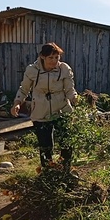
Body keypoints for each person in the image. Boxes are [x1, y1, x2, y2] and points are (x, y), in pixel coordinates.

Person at [10, 42, 78, 172]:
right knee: (45, 145)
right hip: (41, 110)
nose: (54, 61)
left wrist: (74, 98)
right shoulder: (33, 70)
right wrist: (17, 103)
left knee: (67, 141)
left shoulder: (64, 69)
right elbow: (24, 89)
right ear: (42, 57)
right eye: (50, 58)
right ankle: (48, 172)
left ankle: (65, 169)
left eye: (56, 58)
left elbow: (70, 89)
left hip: (62, 108)